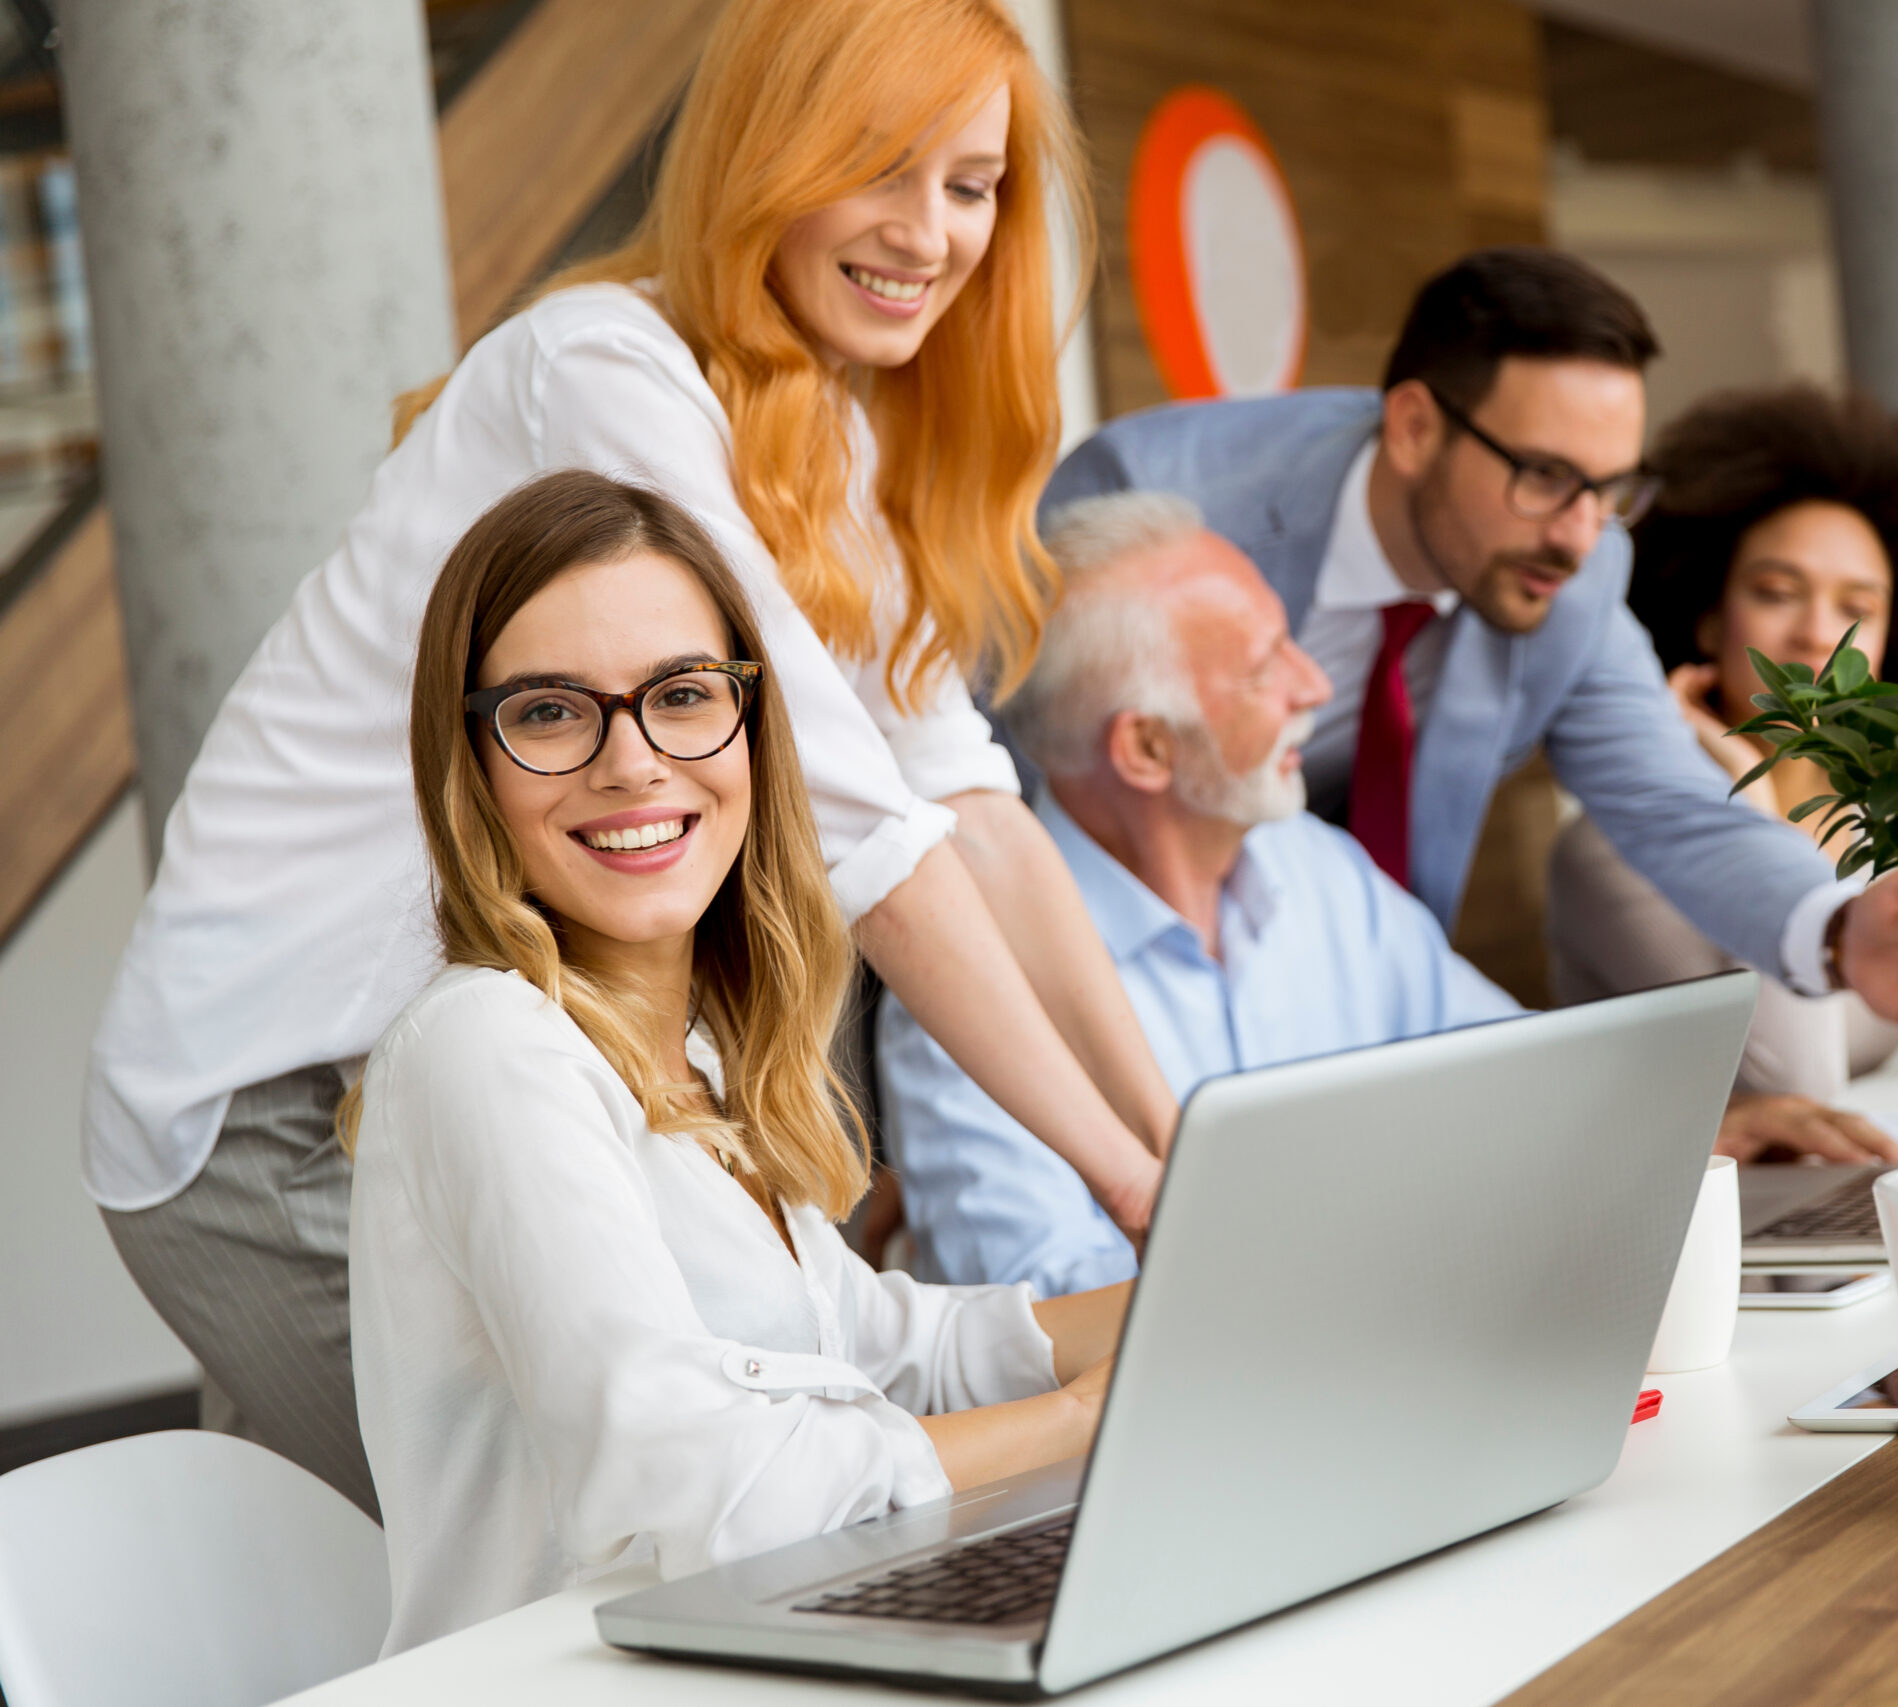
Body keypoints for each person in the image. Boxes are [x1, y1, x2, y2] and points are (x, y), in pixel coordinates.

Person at [87, 0, 1170, 1520]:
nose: (931, 232)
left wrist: (1182, 1141)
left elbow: (971, 808)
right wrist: (1135, 1187)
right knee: (580, 1549)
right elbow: (875, 845)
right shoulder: (602, 366)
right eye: (880, 166)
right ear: (767, 155)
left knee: (499, 1546)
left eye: (974, 185)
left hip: (515, 1070)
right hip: (280, 1093)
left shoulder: (842, 442)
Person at [350, 470, 1126, 1655]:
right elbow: (701, 1478)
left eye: (681, 693)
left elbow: (864, 1350)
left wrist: (1153, 1317)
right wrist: (1077, 1420)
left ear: (748, 724)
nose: (634, 763)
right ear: (472, 767)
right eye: (552, 711)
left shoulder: (697, 1047)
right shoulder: (485, 1045)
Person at [880, 494, 1898, 1294]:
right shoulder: (965, 985)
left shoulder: (1317, 873)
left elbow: (1519, 1078)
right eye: (1262, 667)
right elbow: (1037, 1312)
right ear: (1144, 748)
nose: (1317, 686)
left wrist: (1695, 1126)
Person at [1039, 249, 1898, 1114]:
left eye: (1611, 489)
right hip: (1118, 999)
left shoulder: (1576, 571)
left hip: (1366, 995)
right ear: (1412, 426)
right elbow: (1004, 800)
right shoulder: (1149, 514)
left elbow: (1669, 800)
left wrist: (1839, 930)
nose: (1580, 533)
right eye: (1546, 476)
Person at [1548, 385, 1898, 1109]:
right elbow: (1799, 1087)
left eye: (1857, 608)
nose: (1819, 632)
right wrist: (1757, 811)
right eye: (1777, 591)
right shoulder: (1614, 852)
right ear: (1704, 619)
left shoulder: (1884, 820)